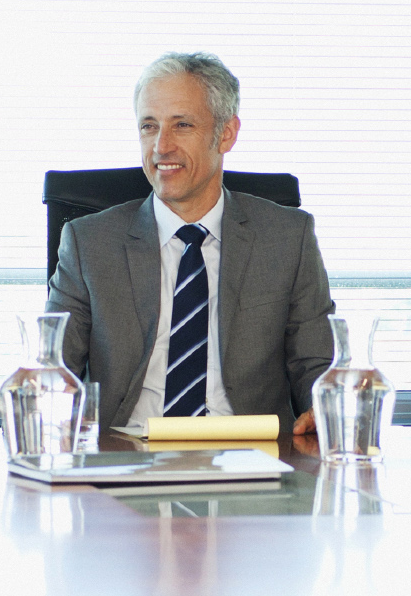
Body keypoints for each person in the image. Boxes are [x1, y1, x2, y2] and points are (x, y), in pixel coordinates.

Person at [48, 52, 338, 432]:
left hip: (251, 454)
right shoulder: (89, 243)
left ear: (227, 133)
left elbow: (317, 365)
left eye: (181, 125)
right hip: (127, 454)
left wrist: (325, 407)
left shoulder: (287, 237)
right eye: (149, 127)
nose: (161, 147)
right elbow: (51, 366)